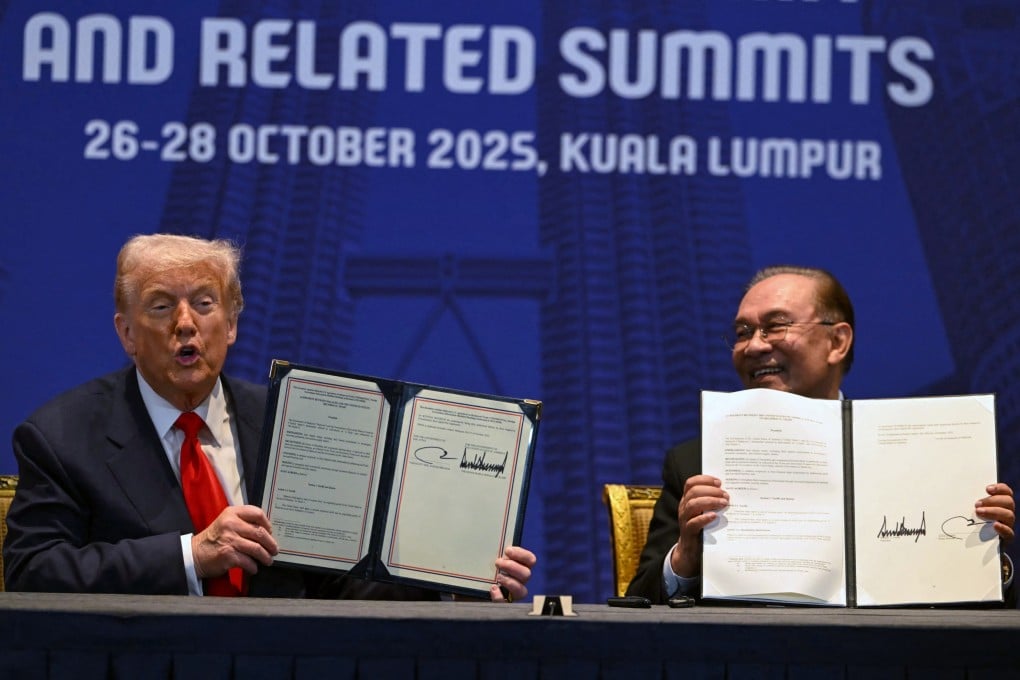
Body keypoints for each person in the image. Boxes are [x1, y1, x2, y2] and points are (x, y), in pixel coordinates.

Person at [3, 233, 536, 600]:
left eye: (205, 304)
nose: (185, 324)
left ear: (232, 324)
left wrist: (457, 580)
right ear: (126, 332)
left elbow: (340, 584)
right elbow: (31, 571)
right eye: (162, 306)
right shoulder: (62, 437)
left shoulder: (292, 421)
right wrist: (191, 555)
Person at [626, 265, 1015, 605]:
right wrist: (686, 556)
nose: (754, 345)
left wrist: (982, 560)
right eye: (742, 332)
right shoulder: (695, 463)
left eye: (775, 326)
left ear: (837, 342)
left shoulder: (929, 453)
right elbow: (640, 602)